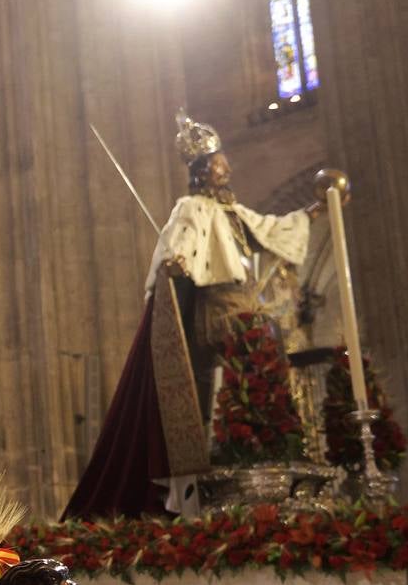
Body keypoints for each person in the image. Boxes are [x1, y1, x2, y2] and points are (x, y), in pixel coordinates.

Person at [63, 109, 322, 520]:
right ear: (203, 170)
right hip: (216, 308)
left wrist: (310, 212)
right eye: (219, 162)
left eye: (224, 161)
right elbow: (177, 242)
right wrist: (177, 262)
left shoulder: (232, 212)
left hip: (244, 303)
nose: (226, 168)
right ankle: (225, 445)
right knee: (232, 366)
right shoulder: (192, 207)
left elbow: (269, 229)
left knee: (257, 365)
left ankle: (257, 441)